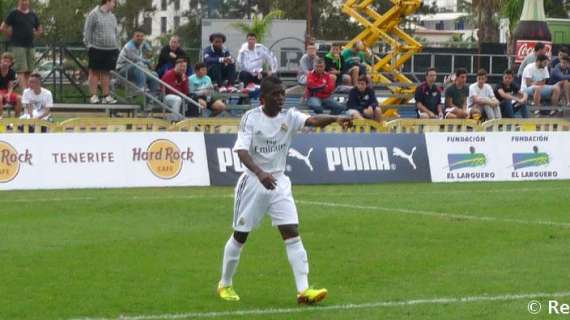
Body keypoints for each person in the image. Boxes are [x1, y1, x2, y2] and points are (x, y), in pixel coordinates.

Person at [217, 75, 352, 304]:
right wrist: (260, 173)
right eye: (275, 95)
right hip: (253, 181)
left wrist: (337, 117)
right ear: (263, 98)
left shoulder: (289, 116)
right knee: (241, 235)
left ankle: (303, 290)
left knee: (291, 232)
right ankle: (225, 284)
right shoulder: (251, 118)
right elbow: (241, 151)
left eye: (283, 94)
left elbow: (313, 120)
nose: (281, 99)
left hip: (279, 181)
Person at [0, 0, 42, 90]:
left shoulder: (33, 14)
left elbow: (39, 29)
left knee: (29, 71)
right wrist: (11, 35)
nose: (25, 3)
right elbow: (3, 27)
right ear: (18, 2)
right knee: (21, 70)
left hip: (30, 46)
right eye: (22, 1)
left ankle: (29, 92)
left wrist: (34, 36)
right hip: (18, 45)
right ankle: (25, 95)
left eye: (26, 1)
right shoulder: (13, 13)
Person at [83, 0, 119, 104]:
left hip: (111, 49)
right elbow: (87, 31)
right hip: (96, 47)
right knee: (94, 72)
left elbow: (116, 32)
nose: (115, 4)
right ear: (107, 1)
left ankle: (105, 96)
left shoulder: (112, 16)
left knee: (106, 73)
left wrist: (117, 46)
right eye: (113, 2)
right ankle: (93, 96)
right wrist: (89, 45)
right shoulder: (94, 14)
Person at [116, 29, 159, 94]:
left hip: (137, 68)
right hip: (123, 69)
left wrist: (150, 50)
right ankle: (140, 87)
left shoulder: (142, 42)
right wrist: (148, 62)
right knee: (138, 65)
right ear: (133, 37)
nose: (140, 38)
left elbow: (148, 49)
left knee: (154, 75)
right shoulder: (129, 46)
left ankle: (152, 97)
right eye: (137, 36)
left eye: (142, 36)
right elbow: (137, 60)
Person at [0, 53, 22, 118]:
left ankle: (17, 120)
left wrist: (8, 95)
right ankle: (0, 119)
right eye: (4, 61)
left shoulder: (12, 72)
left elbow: (11, 86)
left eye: (8, 62)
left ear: (11, 63)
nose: (6, 63)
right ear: (1, 60)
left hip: (7, 92)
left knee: (19, 98)